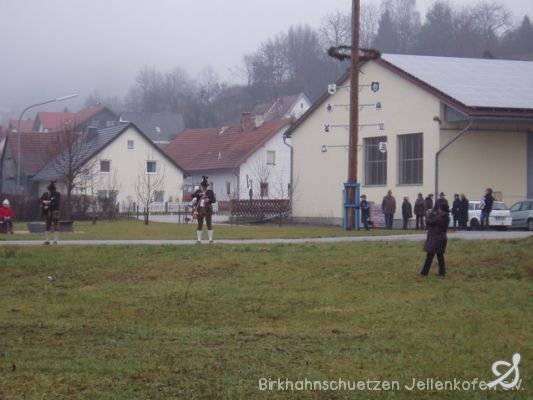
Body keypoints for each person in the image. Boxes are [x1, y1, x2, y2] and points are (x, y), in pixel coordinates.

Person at [420, 203, 450, 277]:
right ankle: (442, 273)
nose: (438, 210)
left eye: (440, 209)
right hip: (442, 238)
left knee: (429, 257)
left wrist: (427, 215)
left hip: (435, 239)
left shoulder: (438, 218)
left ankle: (424, 273)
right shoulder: (447, 218)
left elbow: (429, 221)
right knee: (440, 257)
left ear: (442, 210)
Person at [191, 176, 217, 243]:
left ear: (207, 186)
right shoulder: (198, 191)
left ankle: (210, 239)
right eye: (203, 186)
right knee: (200, 224)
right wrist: (199, 194)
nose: (204, 187)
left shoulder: (210, 192)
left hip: (207, 209)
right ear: (201, 186)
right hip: (199, 210)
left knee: (209, 224)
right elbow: (192, 195)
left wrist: (208, 200)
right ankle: (199, 240)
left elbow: (214, 200)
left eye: (205, 186)